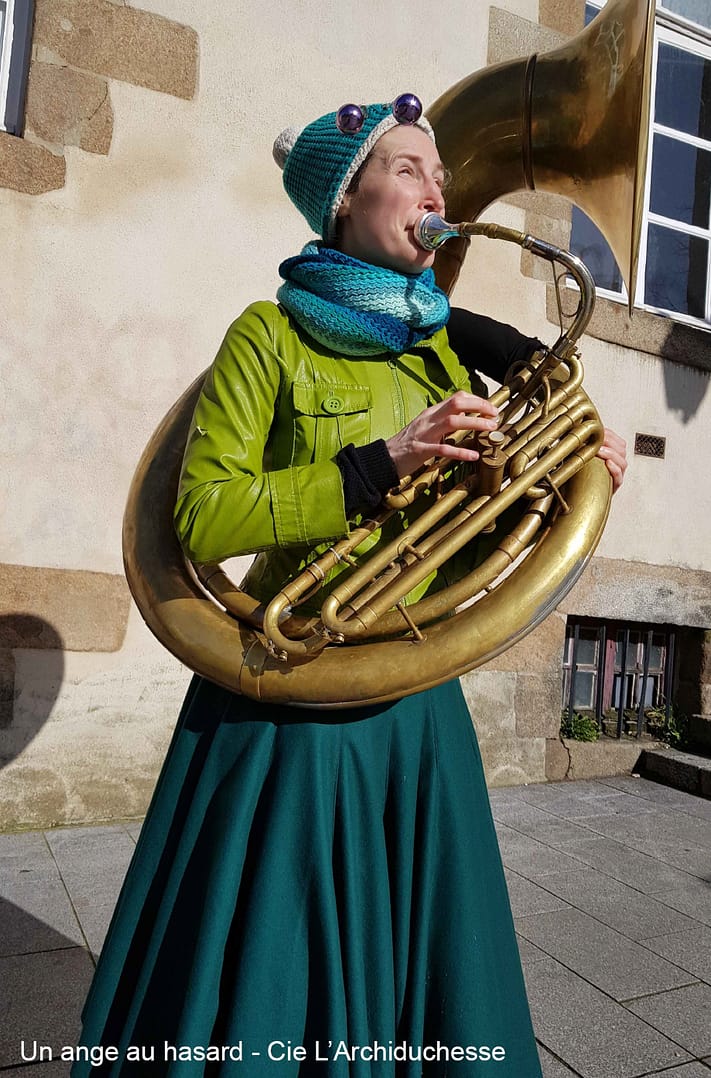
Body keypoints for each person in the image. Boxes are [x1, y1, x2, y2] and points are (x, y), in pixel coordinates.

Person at [72, 95, 626, 1077]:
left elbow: (460, 551)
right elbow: (202, 516)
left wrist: (558, 466)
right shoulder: (268, 338)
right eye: (411, 168)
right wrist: (375, 465)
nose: (439, 188)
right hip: (283, 712)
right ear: (344, 199)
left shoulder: (445, 347)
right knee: (262, 989)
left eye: (441, 174)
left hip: (416, 715)